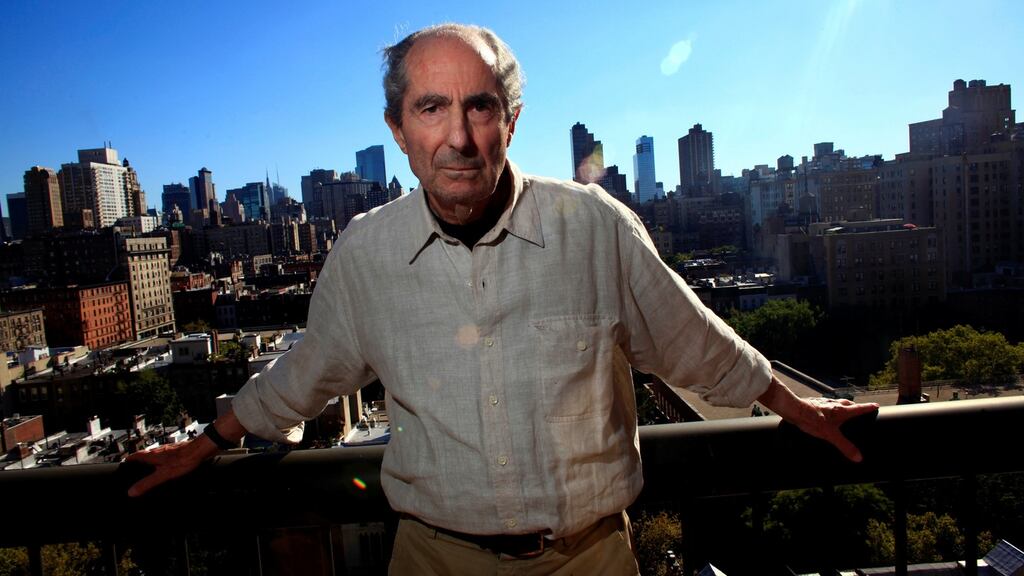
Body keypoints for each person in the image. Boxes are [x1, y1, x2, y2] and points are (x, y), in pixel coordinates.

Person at [128, 23, 878, 575]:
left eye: (479, 108)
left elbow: (695, 340)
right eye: (430, 109)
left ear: (510, 121)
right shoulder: (366, 253)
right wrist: (209, 440)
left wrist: (802, 408)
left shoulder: (593, 226)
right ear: (397, 128)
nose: (457, 136)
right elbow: (307, 370)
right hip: (433, 560)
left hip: (590, 560)